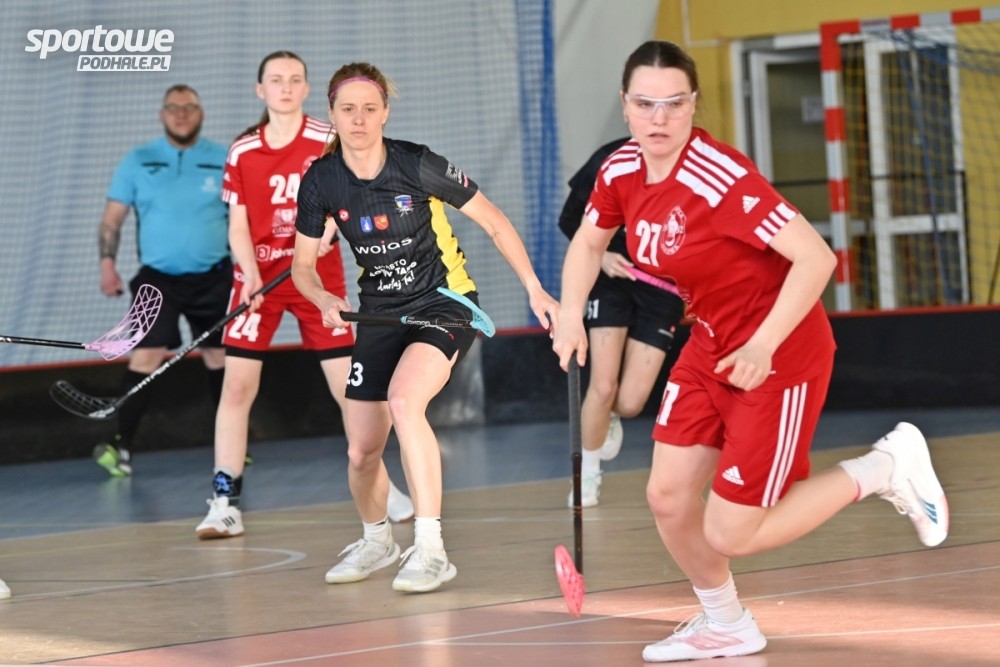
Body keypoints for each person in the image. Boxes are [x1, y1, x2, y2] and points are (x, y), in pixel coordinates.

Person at [551, 40, 949, 662]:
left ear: (693, 104)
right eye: (645, 103)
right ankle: (727, 624)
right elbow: (588, 241)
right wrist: (570, 314)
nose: (659, 118)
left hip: (778, 354)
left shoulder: (719, 177)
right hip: (710, 344)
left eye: (674, 103)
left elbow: (816, 258)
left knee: (730, 532)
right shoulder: (621, 169)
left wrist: (764, 342)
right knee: (667, 497)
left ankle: (884, 468)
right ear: (624, 105)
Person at [292, 62, 559, 593]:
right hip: (378, 314)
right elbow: (302, 265)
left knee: (404, 401)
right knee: (361, 452)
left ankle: (431, 548)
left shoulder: (417, 164)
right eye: (348, 109)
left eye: (370, 109)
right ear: (331, 115)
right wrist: (322, 297)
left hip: (443, 302)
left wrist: (534, 287)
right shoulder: (321, 180)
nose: (359, 119)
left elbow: (494, 221)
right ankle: (376, 540)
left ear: (385, 113)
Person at [195, 52, 413, 540]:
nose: (286, 88)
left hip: (319, 282)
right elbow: (237, 226)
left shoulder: (325, 138)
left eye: (295, 80)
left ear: (307, 88)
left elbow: (351, 192)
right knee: (237, 388)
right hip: (259, 283)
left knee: (351, 390)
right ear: (261, 90)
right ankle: (225, 503)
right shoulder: (243, 150)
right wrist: (249, 275)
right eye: (276, 80)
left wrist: (332, 228)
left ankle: (384, 488)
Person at [95, 84, 231, 477]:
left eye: (189, 107)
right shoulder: (137, 160)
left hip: (215, 277)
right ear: (162, 114)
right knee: (146, 356)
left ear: (201, 113)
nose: (181, 114)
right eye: (173, 107)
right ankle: (121, 445)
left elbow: (247, 217)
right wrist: (107, 265)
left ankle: (232, 446)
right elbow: (112, 220)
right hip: (158, 282)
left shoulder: (223, 158)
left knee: (220, 357)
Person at [557, 137, 685, 508]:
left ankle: (610, 416)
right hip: (610, 279)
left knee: (629, 402)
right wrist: (603, 257)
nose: (658, 121)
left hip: (662, 290)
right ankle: (587, 474)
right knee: (602, 384)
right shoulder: (609, 160)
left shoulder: (695, 168)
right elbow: (570, 221)